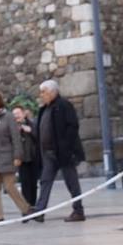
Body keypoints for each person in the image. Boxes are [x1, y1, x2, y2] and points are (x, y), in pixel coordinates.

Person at [30, 80, 86, 224]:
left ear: (52, 92)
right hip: (48, 153)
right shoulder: (44, 109)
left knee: (71, 182)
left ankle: (78, 210)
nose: (41, 95)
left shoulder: (63, 106)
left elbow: (72, 127)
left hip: (63, 153)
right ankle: (40, 211)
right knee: (45, 181)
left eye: (44, 92)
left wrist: (66, 147)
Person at [0, 92, 29, 222]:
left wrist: (17, 155)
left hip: (6, 157)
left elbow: (16, 138)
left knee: (9, 187)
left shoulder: (8, 117)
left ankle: (26, 209)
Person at [13, 105, 39, 208]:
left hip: (33, 158)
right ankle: (26, 207)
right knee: (24, 184)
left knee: (33, 184)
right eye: (14, 114)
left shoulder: (32, 124)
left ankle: (33, 205)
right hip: (22, 160)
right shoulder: (13, 127)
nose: (16, 116)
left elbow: (39, 138)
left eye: (18, 113)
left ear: (24, 114)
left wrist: (30, 131)